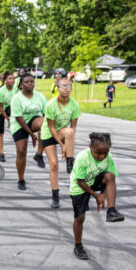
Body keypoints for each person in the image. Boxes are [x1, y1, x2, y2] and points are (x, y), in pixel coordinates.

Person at [70, 133, 124, 260]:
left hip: (95, 180)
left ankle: (111, 211)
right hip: (80, 186)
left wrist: (103, 195)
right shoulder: (82, 157)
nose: (102, 156)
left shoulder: (108, 157)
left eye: (105, 153)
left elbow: (110, 178)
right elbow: (80, 181)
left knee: (110, 176)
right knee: (80, 218)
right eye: (98, 153)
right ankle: (78, 246)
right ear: (90, 147)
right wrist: (96, 196)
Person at [43, 77, 81, 208]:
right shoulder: (51, 105)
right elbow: (51, 127)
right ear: (57, 89)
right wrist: (62, 145)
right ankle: (55, 195)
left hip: (62, 132)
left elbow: (73, 127)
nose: (65, 88)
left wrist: (68, 145)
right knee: (53, 165)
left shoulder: (74, 105)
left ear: (71, 88)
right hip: (49, 133)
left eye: (68, 86)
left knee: (70, 131)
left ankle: (70, 162)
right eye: (62, 86)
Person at [9, 74, 47, 190]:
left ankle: (39, 154)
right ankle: (21, 179)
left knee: (43, 124)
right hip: (19, 124)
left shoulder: (40, 96)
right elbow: (19, 119)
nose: (30, 84)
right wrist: (31, 134)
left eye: (32, 82)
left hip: (33, 120)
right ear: (21, 84)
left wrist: (46, 131)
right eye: (27, 82)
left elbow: (46, 114)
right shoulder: (17, 98)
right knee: (21, 152)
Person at [0, 72, 16, 162]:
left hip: (9, 109)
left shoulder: (15, 89)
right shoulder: (1, 91)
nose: (12, 80)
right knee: (0, 133)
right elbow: (0, 107)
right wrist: (8, 119)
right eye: (10, 78)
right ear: (5, 80)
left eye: (13, 78)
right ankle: (1, 153)